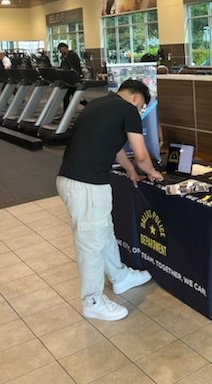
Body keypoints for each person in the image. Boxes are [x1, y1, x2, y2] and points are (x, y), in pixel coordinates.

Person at [57, 78, 164, 321]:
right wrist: (151, 172)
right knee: (91, 243)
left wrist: (130, 170)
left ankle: (120, 276)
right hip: (86, 186)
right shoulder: (128, 109)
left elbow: (114, 147)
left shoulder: (99, 104)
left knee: (104, 231)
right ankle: (93, 300)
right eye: (141, 107)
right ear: (137, 98)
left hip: (76, 181)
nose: (140, 112)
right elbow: (140, 152)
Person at [57, 42, 83, 110]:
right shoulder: (63, 57)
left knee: (76, 97)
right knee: (66, 97)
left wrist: (66, 59)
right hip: (67, 79)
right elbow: (63, 66)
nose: (60, 51)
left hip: (73, 78)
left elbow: (74, 66)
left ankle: (89, 106)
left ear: (65, 48)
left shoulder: (73, 55)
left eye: (61, 49)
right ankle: (65, 113)